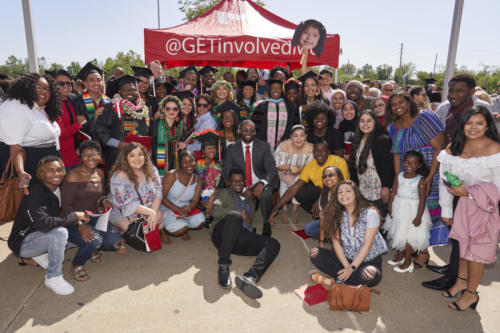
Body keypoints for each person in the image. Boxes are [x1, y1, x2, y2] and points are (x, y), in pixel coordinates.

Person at [434, 106, 500, 311]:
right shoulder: (453, 147)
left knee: (476, 254)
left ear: (488, 125)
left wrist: (469, 193)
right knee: (462, 247)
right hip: (459, 205)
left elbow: (498, 188)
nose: (473, 128)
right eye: (468, 123)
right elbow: (444, 180)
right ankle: (461, 281)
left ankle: (472, 294)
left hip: (484, 208)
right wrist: (446, 210)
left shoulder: (495, 149)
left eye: (479, 123)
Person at [8, 156, 89, 295]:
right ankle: (53, 276)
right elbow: (44, 224)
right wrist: (75, 216)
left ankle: (42, 255)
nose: (56, 174)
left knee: (86, 238)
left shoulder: (62, 187)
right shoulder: (34, 192)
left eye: (59, 170)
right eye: (50, 170)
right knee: (61, 233)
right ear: (41, 173)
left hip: (42, 234)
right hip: (23, 242)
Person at [387, 92, 445, 260]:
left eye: (401, 102)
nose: (397, 106)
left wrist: (429, 178)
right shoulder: (394, 126)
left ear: (410, 102)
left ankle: (424, 251)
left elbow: (439, 148)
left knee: (427, 213)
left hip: (429, 171)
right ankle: (417, 250)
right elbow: (397, 154)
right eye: (393, 104)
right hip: (407, 176)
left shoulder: (425, 117)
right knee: (409, 212)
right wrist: (398, 180)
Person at [210, 169, 280, 298]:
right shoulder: (224, 193)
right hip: (221, 235)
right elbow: (215, 212)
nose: (237, 183)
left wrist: (247, 221)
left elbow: (248, 222)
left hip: (240, 238)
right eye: (234, 181)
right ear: (229, 182)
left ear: (244, 182)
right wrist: (239, 213)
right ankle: (223, 266)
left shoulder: (250, 201)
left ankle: (250, 278)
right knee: (235, 216)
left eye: (240, 180)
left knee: (273, 243)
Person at [61, 141, 124, 281]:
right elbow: (65, 206)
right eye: (86, 155)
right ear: (81, 157)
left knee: (115, 242)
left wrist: (104, 200)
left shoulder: (100, 172)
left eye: (95, 154)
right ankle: (77, 264)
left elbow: (99, 196)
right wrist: (80, 225)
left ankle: (92, 249)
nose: (91, 158)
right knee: (94, 240)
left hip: (95, 216)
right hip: (73, 219)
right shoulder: (73, 175)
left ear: (100, 156)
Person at [309, 181, 387, 287]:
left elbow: (367, 245)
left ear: (356, 194)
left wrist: (352, 268)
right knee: (315, 253)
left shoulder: (370, 214)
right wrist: (347, 267)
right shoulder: (337, 215)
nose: (343, 194)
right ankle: (348, 280)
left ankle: (334, 281)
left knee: (370, 275)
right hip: (346, 259)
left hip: (368, 260)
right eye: (339, 192)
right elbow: (336, 244)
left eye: (347, 191)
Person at [0, 73, 61, 187]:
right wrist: (21, 173)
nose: (44, 91)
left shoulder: (37, 107)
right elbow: (14, 147)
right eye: (38, 87)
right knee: (29, 203)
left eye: (47, 88)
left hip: (44, 171)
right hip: (29, 170)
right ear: (27, 87)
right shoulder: (16, 107)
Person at [223, 120, 279, 236]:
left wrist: (262, 183)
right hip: (241, 183)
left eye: (251, 130)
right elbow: (228, 173)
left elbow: (271, 169)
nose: (248, 133)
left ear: (255, 132)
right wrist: (243, 189)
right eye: (245, 130)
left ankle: (266, 223)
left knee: (266, 193)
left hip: (260, 179)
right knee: (244, 214)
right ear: (239, 131)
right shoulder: (232, 149)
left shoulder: (264, 146)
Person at [269, 141, 349, 220]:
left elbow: (339, 187)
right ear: (313, 153)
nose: (319, 154)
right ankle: (320, 214)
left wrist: (320, 201)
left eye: (323, 151)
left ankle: (336, 215)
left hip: (341, 192)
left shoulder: (339, 162)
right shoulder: (310, 165)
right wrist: (276, 208)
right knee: (300, 192)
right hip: (322, 190)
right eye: (316, 151)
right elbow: (294, 188)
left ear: (328, 152)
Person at [384, 151, 432, 273]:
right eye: (406, 162)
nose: (409, 165)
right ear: (403, 162)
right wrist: (390, 205)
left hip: (413, 210)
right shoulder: (399, 176)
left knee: (409, 236)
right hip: (398, 206)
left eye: (413, 163)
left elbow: (422, 200)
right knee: (398, 232)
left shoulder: (420, 180)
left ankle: (408, 261)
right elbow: (393, 192)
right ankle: (400, 257)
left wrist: (419, 216)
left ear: (419, 165)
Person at [108, 142, 164, 242]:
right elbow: (127, 205)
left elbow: (158, 190)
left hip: (143, 206)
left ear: (145, 156)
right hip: (120, 208)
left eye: (140, 154)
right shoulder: (119, 176)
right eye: (132, 155)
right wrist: (148, 213)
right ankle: (118, 231)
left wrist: (153, 213)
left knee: (158, 221)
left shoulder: (152, 169)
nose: (137, 159)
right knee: (132, 229)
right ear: (125, 158)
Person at [95, 74, 149, 173]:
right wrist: (118, 144)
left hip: (139, 158)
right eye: (125, 89)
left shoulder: (142, 108)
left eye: (133, 89)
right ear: (119, 92)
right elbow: (101, 131)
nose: (130, 92)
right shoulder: (112, 107)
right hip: (118, 156)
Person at [349, 109, 393, 215]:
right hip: (362, 191)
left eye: (369, 121)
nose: (365, 124)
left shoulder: (383, 140)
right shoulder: (356, 140)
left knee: (378, 224)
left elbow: (388, 166)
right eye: (362, 121)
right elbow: (354, 166)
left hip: (378, 192)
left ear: (375, 122)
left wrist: (386, 187)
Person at [273, 125, 314, 223]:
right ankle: (284, 208)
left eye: (302, 136)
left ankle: (295, 207)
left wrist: (297, 171)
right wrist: (289, 167)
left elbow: (310, 166)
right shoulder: (283, 146)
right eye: (295, 136)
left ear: (306, 137)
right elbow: (277, 164)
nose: (299, 139)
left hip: (301, 172)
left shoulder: (311, 148)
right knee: (284, 184)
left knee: (297, 182)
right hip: (284, 171)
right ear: (291, 137)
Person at [161, 150, 205, 240]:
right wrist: (178, 209)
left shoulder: (198, 179)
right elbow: (161, 197)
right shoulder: (172, 175)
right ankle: (163, 230)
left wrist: (190, 207)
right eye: (185, 162)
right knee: (179, 229)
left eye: (192, 161)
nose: (189, 165)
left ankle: (183, 226)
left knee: (201, 221)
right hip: (168, 207)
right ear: (180, 163)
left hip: (185, 208)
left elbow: (195, 200)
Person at [53, 69, 88, 169]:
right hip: (63, 157)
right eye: (61, 83)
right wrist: (79, 124)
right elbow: (62, 133)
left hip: (76, 153)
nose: (66, 86)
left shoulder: (72, 99)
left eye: (68, 83)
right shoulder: (52, 105)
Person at [252, 79, 298, 150]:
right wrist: (263, 142)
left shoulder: (289, 107)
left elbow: (291, 125)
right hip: (264, 146)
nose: (275, 90)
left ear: (282, 91)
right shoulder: (262, 106)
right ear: (269, 91)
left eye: (278, 88)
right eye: (273, 88)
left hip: (284, 146)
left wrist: (284, 140)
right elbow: (257, 127)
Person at [303, 166, 344, 238]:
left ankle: (334, 237)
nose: (327, 178)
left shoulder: (346, 192)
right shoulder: (325, 192)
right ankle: (330, 237)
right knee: (308, 229)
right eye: (324, 176)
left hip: (345, 224)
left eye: (331, 175)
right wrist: (321, 242)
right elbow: (323, 218)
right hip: (329, 222)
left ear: (339, 177)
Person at [151, 95, 185, 174]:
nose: (171, 111)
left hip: (176, 161)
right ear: (163, 109)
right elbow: (152, 146)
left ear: (179, 110)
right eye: (168, 108)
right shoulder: (156, 124)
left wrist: (182, 145)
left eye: (175, 109)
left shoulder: (180, 125)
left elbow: (182, 141)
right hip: (159, 161)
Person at [75, 62, 111, 136]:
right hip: (89, 143)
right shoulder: (79, 101)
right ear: (85, 84)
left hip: (108, 142)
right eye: (92, 80)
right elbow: (81, 128)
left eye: (98, 80)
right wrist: (94, 118)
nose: (96, 83)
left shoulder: (108, 100)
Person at [193, 130, 223, 214]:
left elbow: (221, 186)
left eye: (214, 148)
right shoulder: (196, 166)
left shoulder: (219, 166)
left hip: (215, 196)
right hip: (198, 197)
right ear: (203, 151)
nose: (212, 150)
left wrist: (212, 196)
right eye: (208, 148)